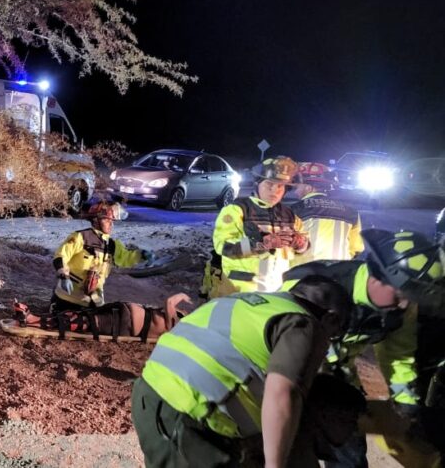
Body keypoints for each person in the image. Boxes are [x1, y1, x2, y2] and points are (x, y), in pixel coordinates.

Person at [131, 275, 353, 467]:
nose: (327, 346)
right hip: (186, 410)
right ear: (331, 318)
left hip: (150, 394)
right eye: (333, 335)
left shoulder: (247, 302)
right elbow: (283, 393)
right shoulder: (304, 323)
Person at [282, 229, 445, 467]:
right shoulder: (312, 288)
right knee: (288, 450)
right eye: (401, 296)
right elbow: (280, 344)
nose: (405, 304)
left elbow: (398, 355)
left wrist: (405, 401)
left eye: (412, 297)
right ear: (377, 277)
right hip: (287, 375)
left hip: (341, 377)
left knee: (350, 452)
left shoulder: (403, 301)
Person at [212, 156, 309, 296]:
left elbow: (304, 250)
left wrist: (300, 244)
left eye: (280, 186)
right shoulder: (237, 210)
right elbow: (223, 247)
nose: (275, 190)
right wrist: (261, 244)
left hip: (278, 290)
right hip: (242, 289)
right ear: (257, 184)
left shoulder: (290, 215)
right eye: (269, 184)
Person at [51, 199, 152, 311]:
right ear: (95, 220)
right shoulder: (81, 237)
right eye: (107, 220)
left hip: (93, 302)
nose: (111, 224)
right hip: (67, 299)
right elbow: (60, 256)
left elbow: (125, 258)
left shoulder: (112, 245)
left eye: (112, 221)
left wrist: (142, 255)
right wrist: (63, 276)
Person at [289, 180, 363, 266]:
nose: (295, 192)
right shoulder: (351, 212)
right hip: (339, 272)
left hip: (304, 271)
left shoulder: (293, 210)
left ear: (308, 188)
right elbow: (356, 248)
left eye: (297, 187)